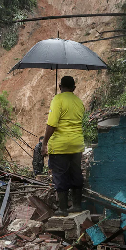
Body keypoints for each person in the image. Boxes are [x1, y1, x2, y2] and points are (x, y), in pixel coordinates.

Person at [41, 76, 84, 217]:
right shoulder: (79, 101)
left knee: (60, 175)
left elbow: (52, 124)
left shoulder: (57, 100)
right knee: (76, 173)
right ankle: (77, 205)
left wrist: (44, 142)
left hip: (60, 146)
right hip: (77, 144)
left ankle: (63, 209)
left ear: (60, 87)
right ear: (74, 88)